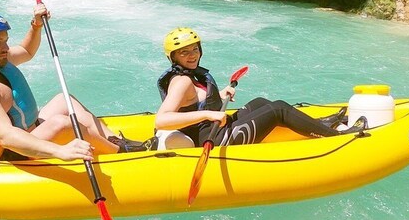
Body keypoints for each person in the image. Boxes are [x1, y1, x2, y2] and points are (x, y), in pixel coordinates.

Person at [0, 6, 155, 162]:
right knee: (63, 123)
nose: (5, 47)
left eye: (5, 40)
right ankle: (122, 157)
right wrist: (60, 152)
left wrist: (36, 25)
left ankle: (113, 141)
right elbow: (6, 137)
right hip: (2, 153)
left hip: (27, 132)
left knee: (65, 100)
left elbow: (26, 51)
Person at [155, 27, 366, 149]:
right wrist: (210, 113)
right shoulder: (181, 81)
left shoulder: (190, 75)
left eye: (194, 49)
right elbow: (161, 120)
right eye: (184, 53)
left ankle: (319, 124)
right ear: (173, 57)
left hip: (214, 128)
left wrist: (219, 95)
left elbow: (194, 103)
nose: (192, 56)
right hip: (213, 138)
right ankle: (335, 137)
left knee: (260, 102)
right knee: (278, 110)